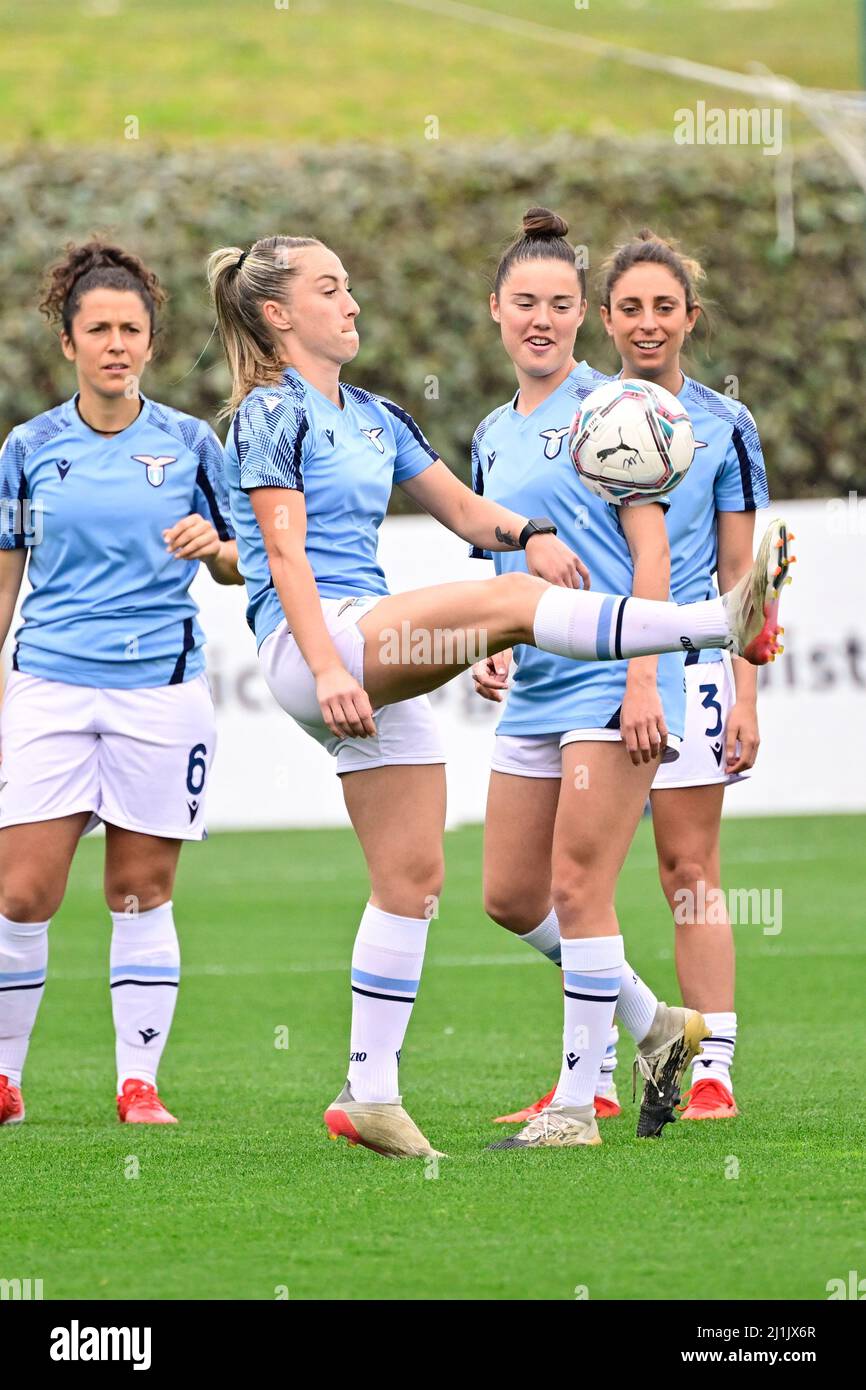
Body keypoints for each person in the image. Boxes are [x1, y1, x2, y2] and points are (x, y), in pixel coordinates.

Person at [208, 232, 790, 1159]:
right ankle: (714, 627)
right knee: (517, 604)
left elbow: (476, 519)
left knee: (432, 882)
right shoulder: (270, 413)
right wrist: (330, 668)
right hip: (326, 644)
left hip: (443, 658)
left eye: (564, 303)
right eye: (332, 288)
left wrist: (531, 531)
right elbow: (279, 558)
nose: (354, 302)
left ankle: (378, 1092)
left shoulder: (383, 415)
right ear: (278, 314)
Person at [479, 224, 783, 1136]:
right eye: (630, 308)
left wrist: (725, 690)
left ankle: (652, 1078)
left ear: (690, 317)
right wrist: (491, 636)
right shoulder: (498, 427)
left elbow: (736, 573)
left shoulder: (658, 419)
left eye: (665, 307)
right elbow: (503, 550)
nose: (647, 323)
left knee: (677, 870)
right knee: (513, 894)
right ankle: (651, 1030)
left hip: (647, 671)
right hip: (552, 673)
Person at [0, 240, 241, 1129]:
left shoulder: (190, 443)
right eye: (96, 328)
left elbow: (241, 562)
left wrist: (213, 547)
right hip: (50, 687)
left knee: (139, 889)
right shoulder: (26, 449)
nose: (114, 343)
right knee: (22, 892)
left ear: (150, 340)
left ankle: (138, 1085)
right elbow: (4, 583)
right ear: (67, 342)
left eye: (129, 329)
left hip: (158, 692)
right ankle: (5, 1081)